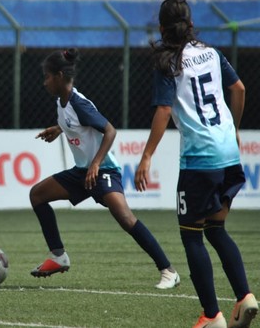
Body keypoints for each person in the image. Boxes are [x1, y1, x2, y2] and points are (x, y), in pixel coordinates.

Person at [134, 0, 259, 328]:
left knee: (192, 236)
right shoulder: (212, 53)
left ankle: (211, 315)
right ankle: (245, 297)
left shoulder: (168, 63)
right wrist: (234, 129)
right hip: (229, 154)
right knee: (216, 229)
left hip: (200, 160)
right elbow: (240, 89)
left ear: (161, 28)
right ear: (190, 24)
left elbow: (163, 110)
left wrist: (146, 156)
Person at [30, 48, 180, 290]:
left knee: (125, 218)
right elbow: (73, 123)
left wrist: (97, 163)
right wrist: (57, 129)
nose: (44, 82)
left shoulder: (79, 103)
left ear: (59, 75)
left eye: (47, 76)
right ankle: (58, 255)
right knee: (37, 194)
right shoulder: (62, 101)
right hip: (82, 172)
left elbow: (109, 130)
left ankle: (168, 271)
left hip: (104, 170)